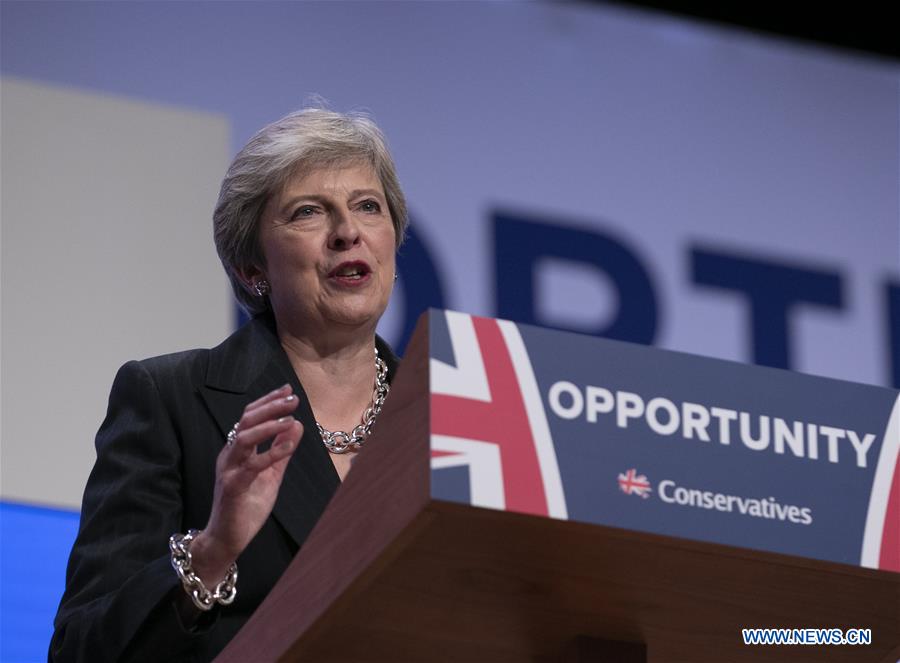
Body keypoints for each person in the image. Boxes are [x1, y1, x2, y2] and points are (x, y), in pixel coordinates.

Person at [50, 107, 407, 662]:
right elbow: (82, 650)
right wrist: (212, 552)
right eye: (309, 212)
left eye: (367, 206)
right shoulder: (171, 399)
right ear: (251, 268)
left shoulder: (448, 414)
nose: (347, 232)